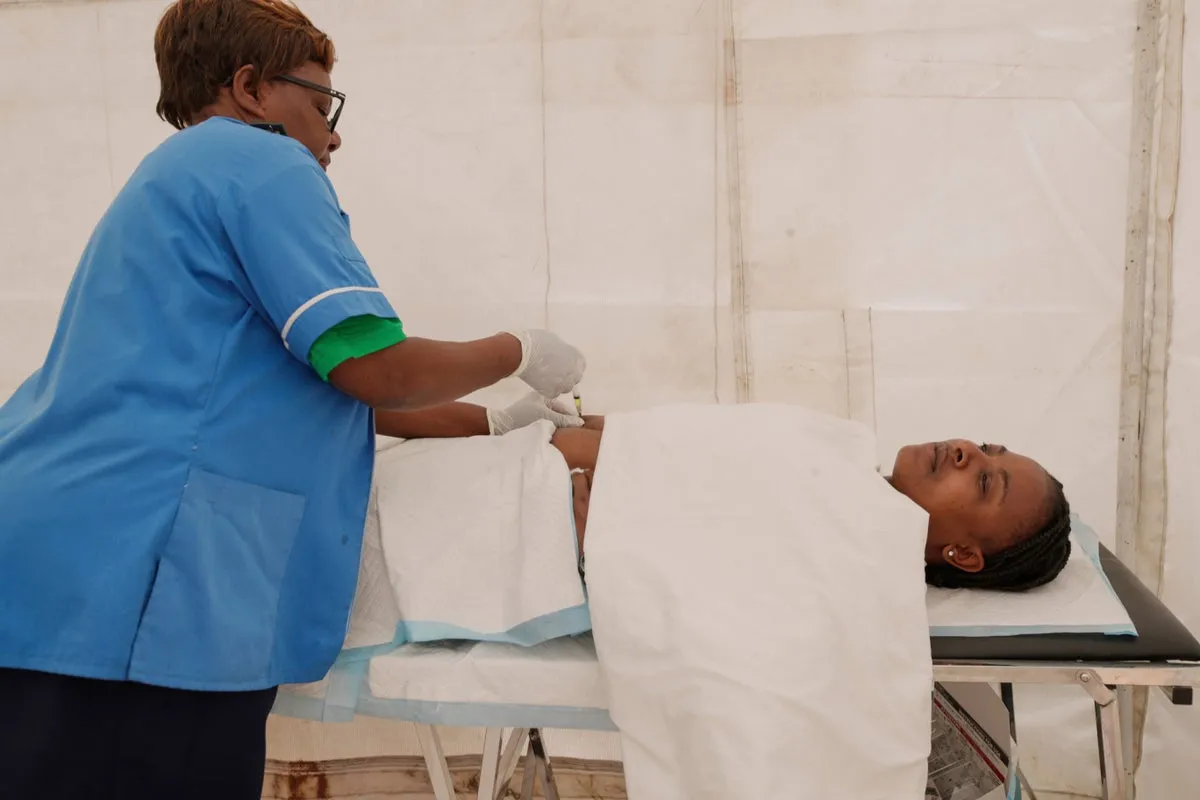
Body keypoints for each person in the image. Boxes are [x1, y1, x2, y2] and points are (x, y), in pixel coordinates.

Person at [0, 1, 585, 798]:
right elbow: (372, 368)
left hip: (64, 555)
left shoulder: (174, 179)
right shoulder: (258, 163)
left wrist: (488, 419)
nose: (333, 133)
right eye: (320, 103)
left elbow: (281, 385)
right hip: (143, 573)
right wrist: (517, 350)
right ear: (249, 87)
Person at [541, 421, 1072, 592]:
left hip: (533, 500)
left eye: (984, 481)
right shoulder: (847, 464)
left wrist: (598, 557)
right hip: (540, 456)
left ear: (960, 554)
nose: (966, 450)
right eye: (987, 446)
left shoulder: (845, 561)